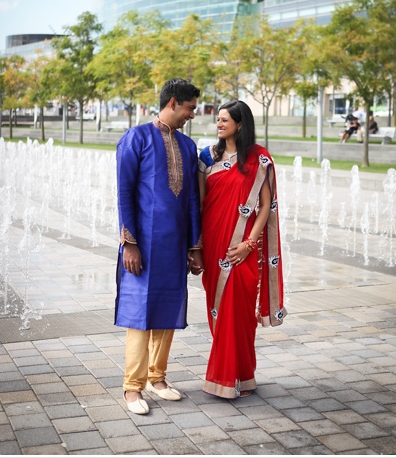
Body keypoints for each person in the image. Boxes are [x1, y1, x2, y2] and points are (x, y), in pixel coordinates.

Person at [115, 78, 204, 415]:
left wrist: (195, 247)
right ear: (172, 104)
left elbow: (193, 199)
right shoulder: (135, 138)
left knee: (167, 311)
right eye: (189, 108)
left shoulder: (187, 145)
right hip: (143, 245)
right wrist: (130, 243)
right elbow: (124, 193)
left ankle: (158, 377)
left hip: (175, 245)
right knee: (140, 315)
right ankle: (132, 388)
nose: (192, 115)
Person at [197, 100, 287, 399]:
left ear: (240, 123)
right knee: (219, 309)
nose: (219, 124)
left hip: (242, 246)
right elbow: (199, 203)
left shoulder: (258, 159)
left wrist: (250, 244)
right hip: (214, 243)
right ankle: (235, 376)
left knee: (240, 311)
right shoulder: (207, 157)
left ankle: (234, 377)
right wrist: (195, 247)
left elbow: (266, 207)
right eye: (218, 120)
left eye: (224, 120)